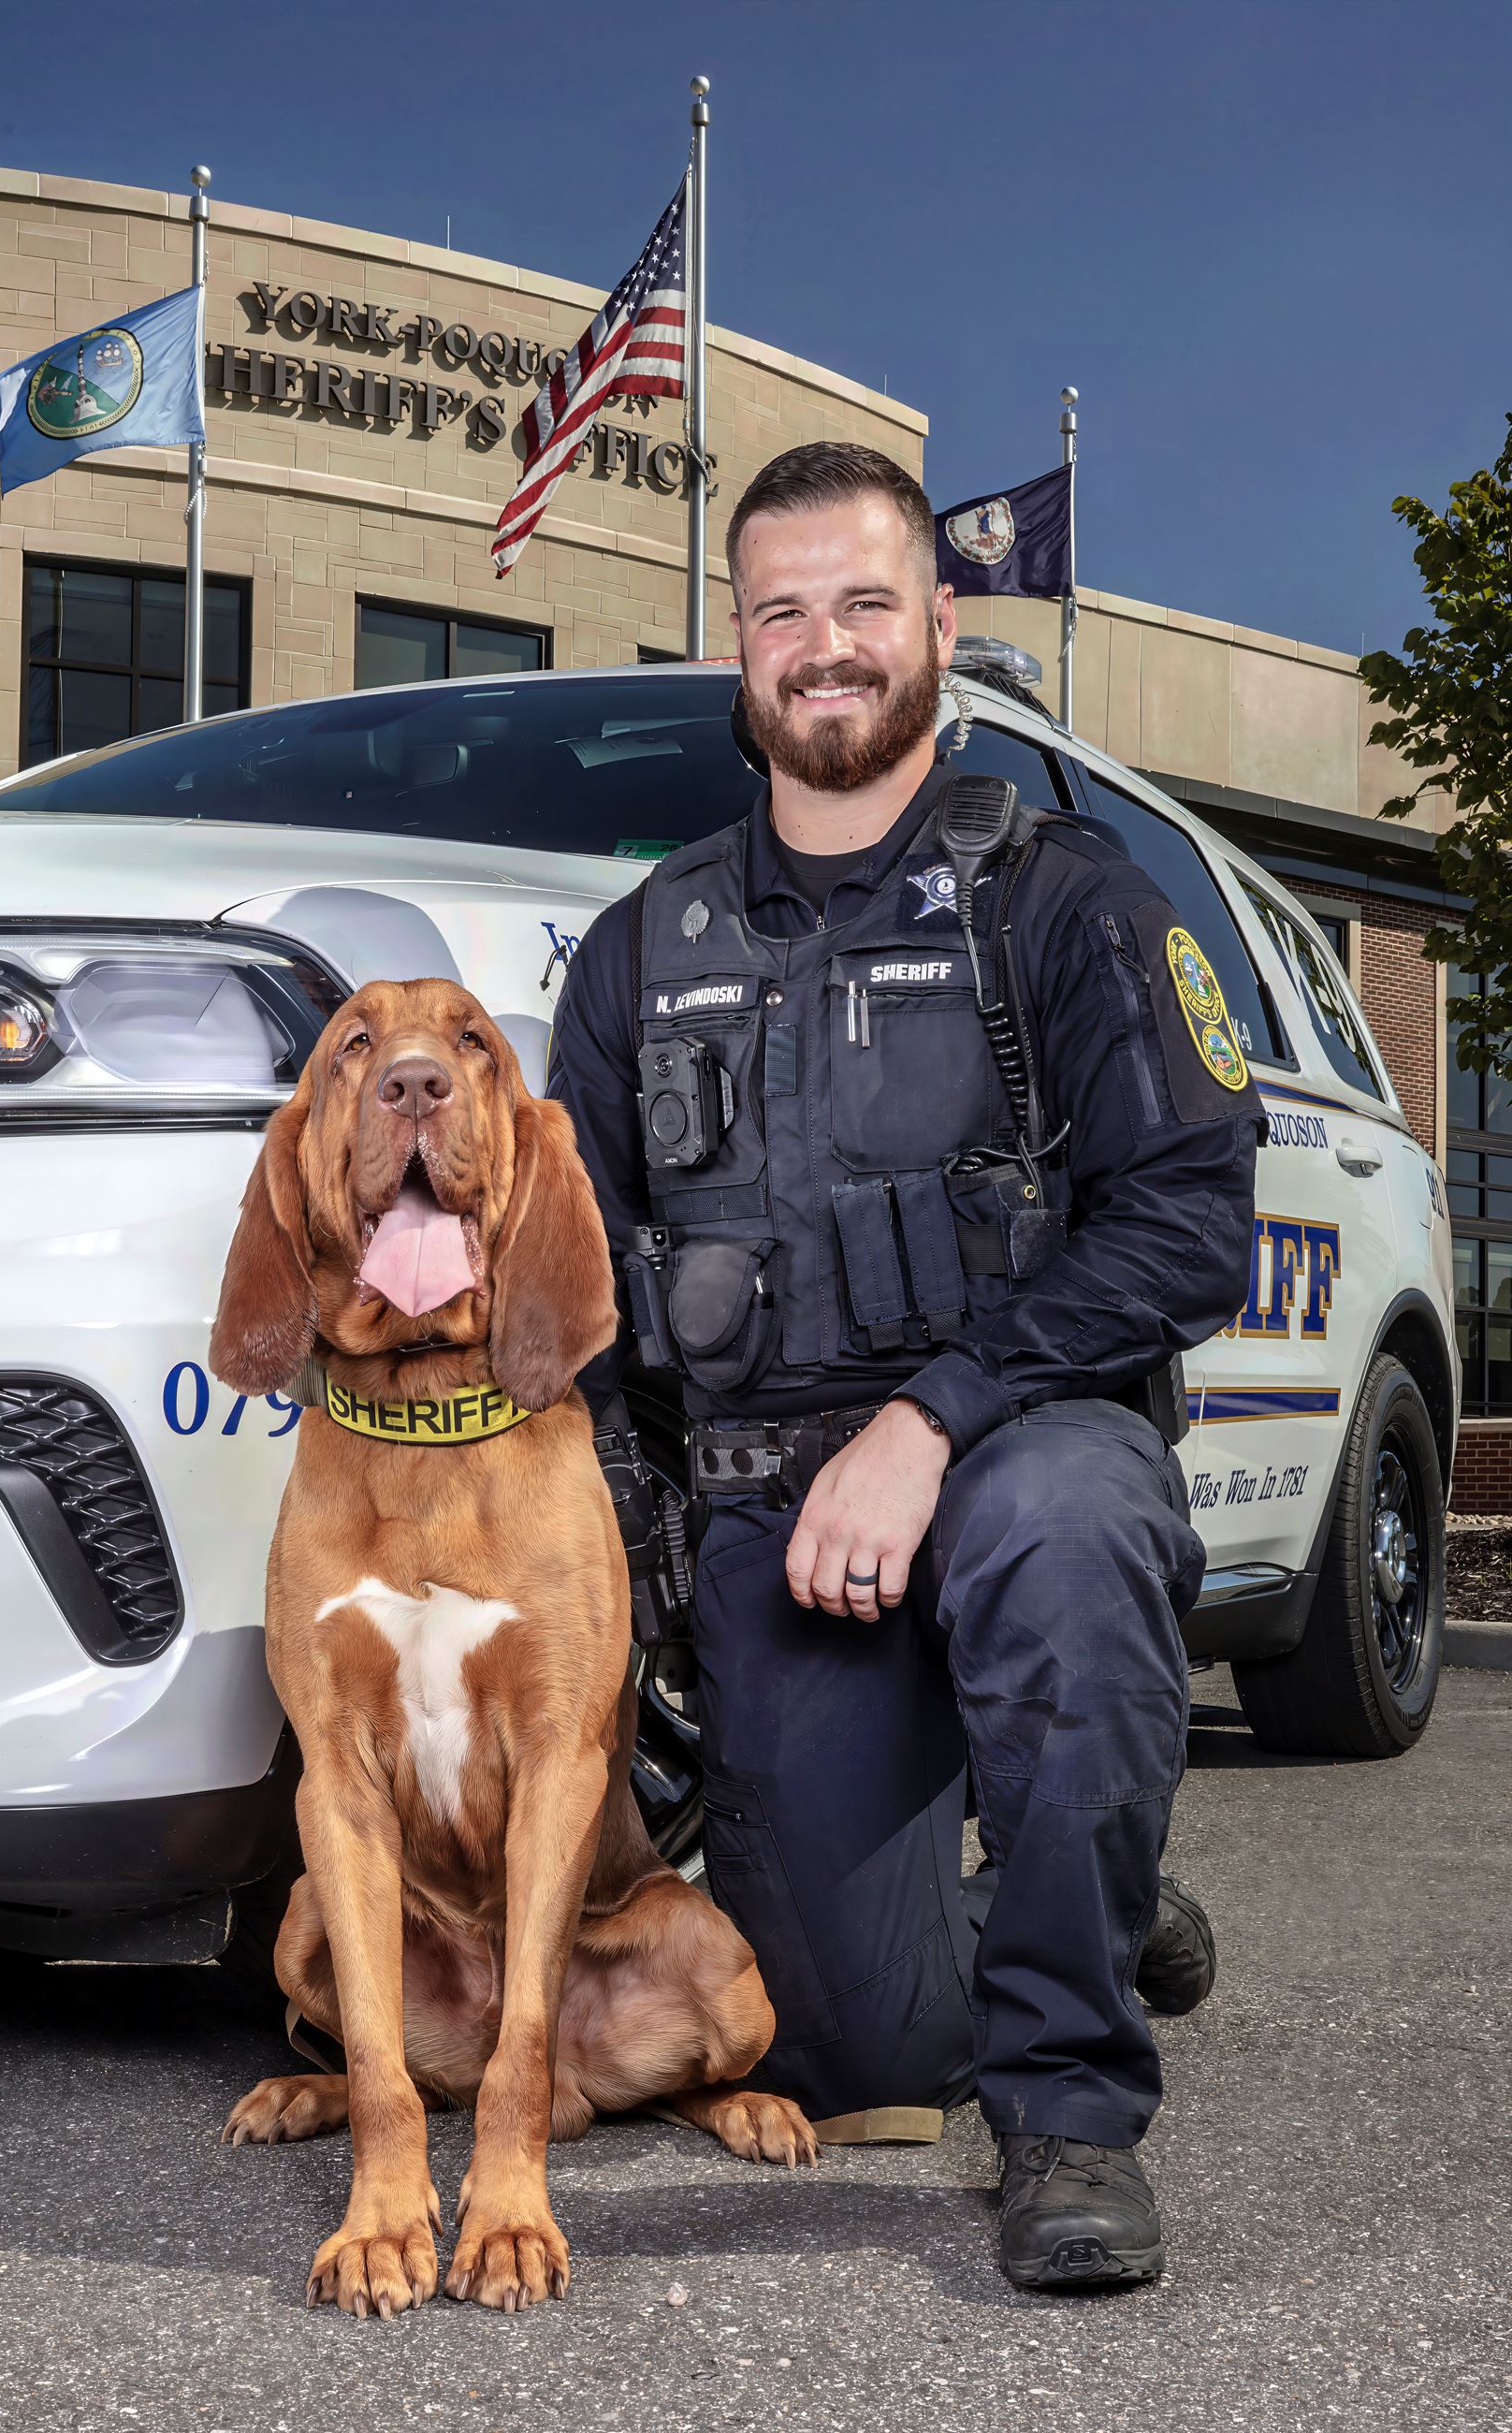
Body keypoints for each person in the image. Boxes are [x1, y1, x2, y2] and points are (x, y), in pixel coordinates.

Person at [547, 441, 1262, 2291]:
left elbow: (1185, 1229)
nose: (826, 645)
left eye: (866, 602)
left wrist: (931, 1418)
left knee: (1073, 1516)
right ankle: (1069, 1891)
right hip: (764, 1545)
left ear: (941, 626)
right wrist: (620, 1599)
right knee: (851, 2051)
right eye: (783, 609)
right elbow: (587, 1308)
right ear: (740, 639)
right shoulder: (639, 955)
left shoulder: (1069, 903)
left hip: (1012, 1458)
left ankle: (1073, 2111)